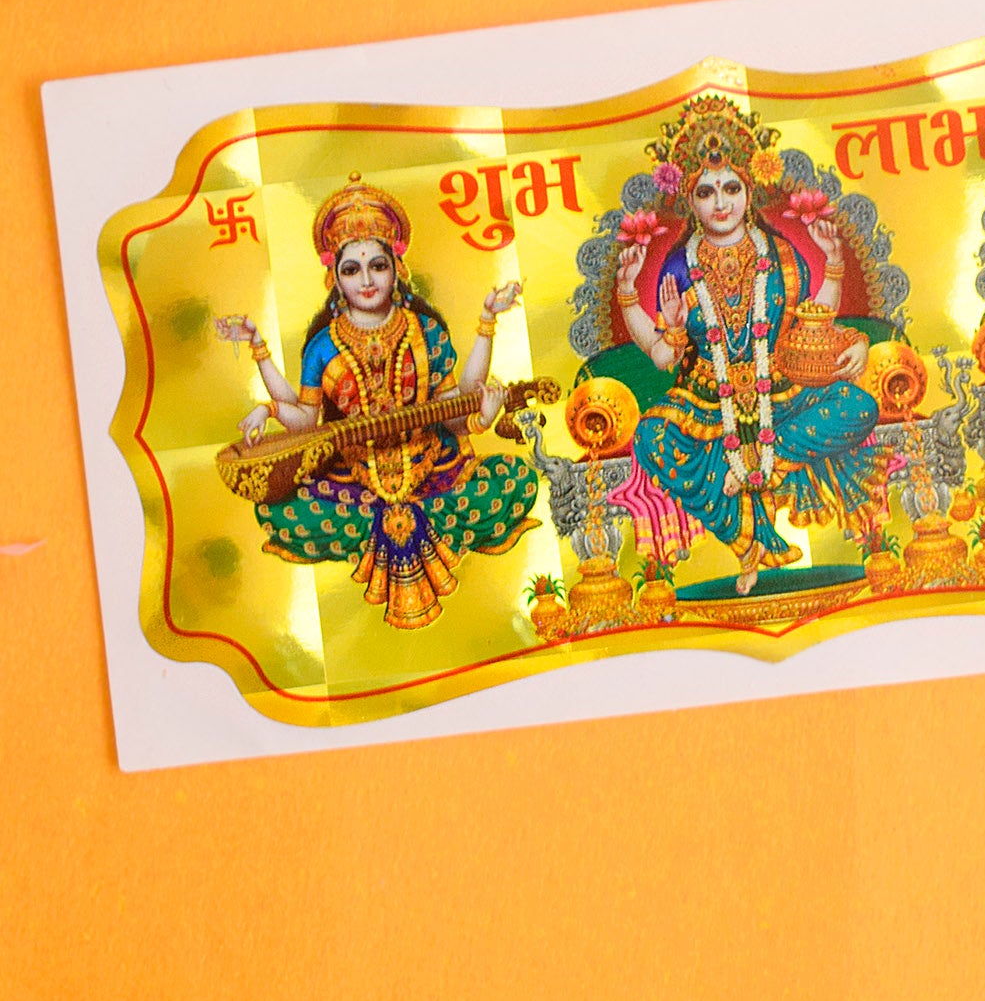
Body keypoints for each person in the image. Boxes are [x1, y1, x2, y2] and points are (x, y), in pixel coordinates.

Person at [214, 172, 540, 629]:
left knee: (516, 478)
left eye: (378, 266)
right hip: (354, 481)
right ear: (334, 277)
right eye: (352, 269)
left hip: (433, 470)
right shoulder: (323, 346)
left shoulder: (425, 331)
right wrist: (264, 389)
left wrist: (481, 402)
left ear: (396, 269)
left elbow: (454, 410)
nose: (366, 281)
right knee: (278, 511)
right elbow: (306, 423)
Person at [612, 97, 885, 594]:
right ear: (690, 202)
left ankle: (757, 467)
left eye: (731, 188)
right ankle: (750, 540)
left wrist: (834, 265)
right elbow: (664, 357)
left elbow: (812, 325)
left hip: (780, 392)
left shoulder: (779, 253)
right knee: (651, 438)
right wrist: (638, 301)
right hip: (706, 401)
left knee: (859, 405)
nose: (721, 203)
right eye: (706, 191)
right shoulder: (679, 266)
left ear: (748, 191)